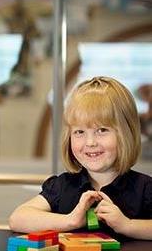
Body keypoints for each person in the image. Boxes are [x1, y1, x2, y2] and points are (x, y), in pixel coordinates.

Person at [9, 76, 152, 240]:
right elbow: (17, 218)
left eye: (102, 130)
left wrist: (127, 225)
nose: (90, 142)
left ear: (127, 133)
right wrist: (71, 221)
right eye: (79, 132)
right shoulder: (62, 186)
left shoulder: (145, 189)